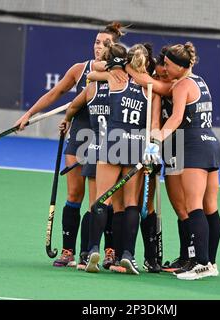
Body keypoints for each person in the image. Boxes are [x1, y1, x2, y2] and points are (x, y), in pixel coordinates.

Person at [14, 22, 125, 267]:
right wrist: (28, 115)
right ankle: (68, 251)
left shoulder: (121, 71)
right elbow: (54, 94)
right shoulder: (79, 69)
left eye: (105, 44)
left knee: (104, 199)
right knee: (75, 194)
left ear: (114, 47)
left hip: (108, 138)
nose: (99, 47)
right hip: (81, 136)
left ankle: (105, 250)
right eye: (97, 42)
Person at [132, 42, 220, 280]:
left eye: (168, 65)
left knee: (193, 206)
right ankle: (209, 262)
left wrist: (157, 139)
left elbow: (175, 117)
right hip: (211, 145)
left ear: (181, 66)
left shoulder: (182, 85)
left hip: (192, 147)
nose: (165, 68)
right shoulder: (199, 81)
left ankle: (201, 263)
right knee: (210, 208)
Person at [85, 43, 161, 275]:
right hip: (137, 145)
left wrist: (112, 68)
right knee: (131, 203)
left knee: (102, 199)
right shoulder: (152, 88)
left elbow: (89, 74)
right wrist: (153, 146)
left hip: (112, 142)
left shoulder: (116, 78)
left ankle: (93, 250)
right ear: (147, 62)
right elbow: (155, 126)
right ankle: (128, 254)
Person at [58, 42, 128, 270]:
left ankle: (87, 253)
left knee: (94, 204)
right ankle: (113, 253)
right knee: (115, 205)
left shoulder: (93, 87)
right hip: (117, 150)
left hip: (95, 149)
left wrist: (67, 119)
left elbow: (72, 107)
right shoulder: (123, 85)